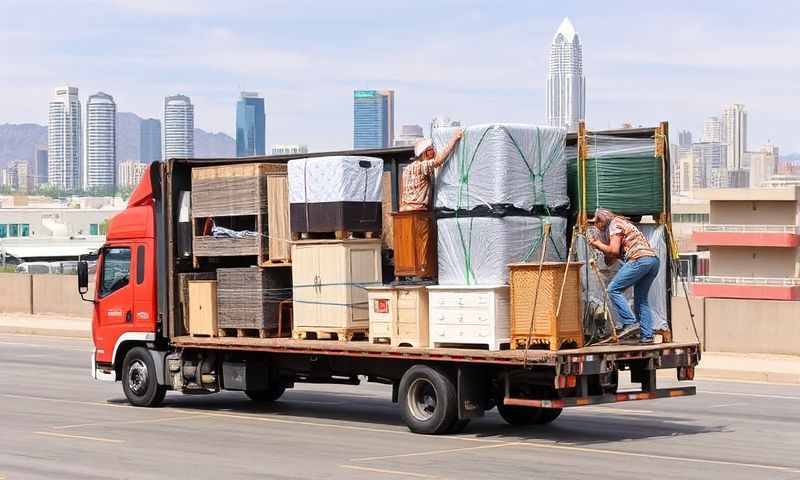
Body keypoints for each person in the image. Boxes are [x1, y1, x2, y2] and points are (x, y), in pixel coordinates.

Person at [588, 208, 660, 344]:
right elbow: (610, 260)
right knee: (641, 299)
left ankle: (630, 322)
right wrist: (600, 247)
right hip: (652, 260)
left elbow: (614, 251)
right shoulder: (623, 224)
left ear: (600, 221)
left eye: (595, 223)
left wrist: (597, 243)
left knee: (613, 289)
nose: (595, 227)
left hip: (639, 258)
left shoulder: (614, 224)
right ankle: (647, 335)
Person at [399, 129, 463, 212]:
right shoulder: (421, 166)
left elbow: (401, 193)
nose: (434, 152)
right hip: (417, 211)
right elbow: (438, 160)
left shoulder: (407, 169)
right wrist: (454, 139)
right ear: (425, 153)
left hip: (404, 211)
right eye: (431, 150)